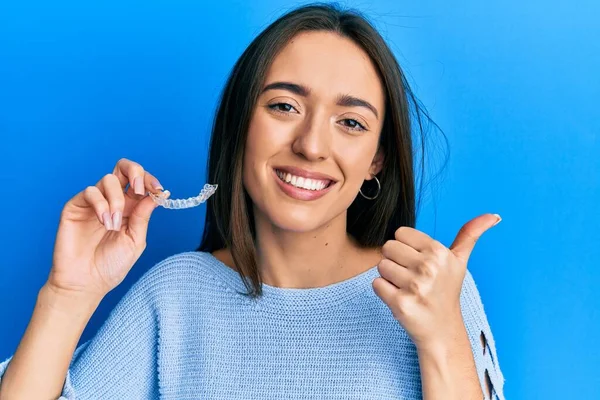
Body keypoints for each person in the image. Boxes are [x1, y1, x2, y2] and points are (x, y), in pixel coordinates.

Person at [0, 4, 505, 399]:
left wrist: (442, 337)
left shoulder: (430, 291)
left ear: (377, 160)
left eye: (350, 122)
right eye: (284, 106)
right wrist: (67, 295)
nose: (311, 144)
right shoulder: (174, 298)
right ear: (241, 125)